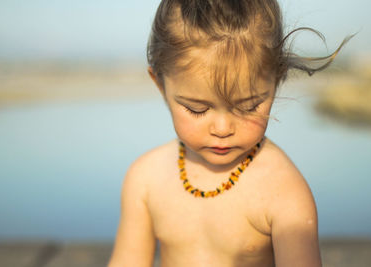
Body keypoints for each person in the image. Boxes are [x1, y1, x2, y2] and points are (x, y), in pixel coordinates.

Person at [108, 1, 351, 266]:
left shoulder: (283, 192)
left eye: (248, 107)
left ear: (278, 78)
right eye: (197, 109)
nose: (222, 129)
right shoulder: (145, 179)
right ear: (160, 84)